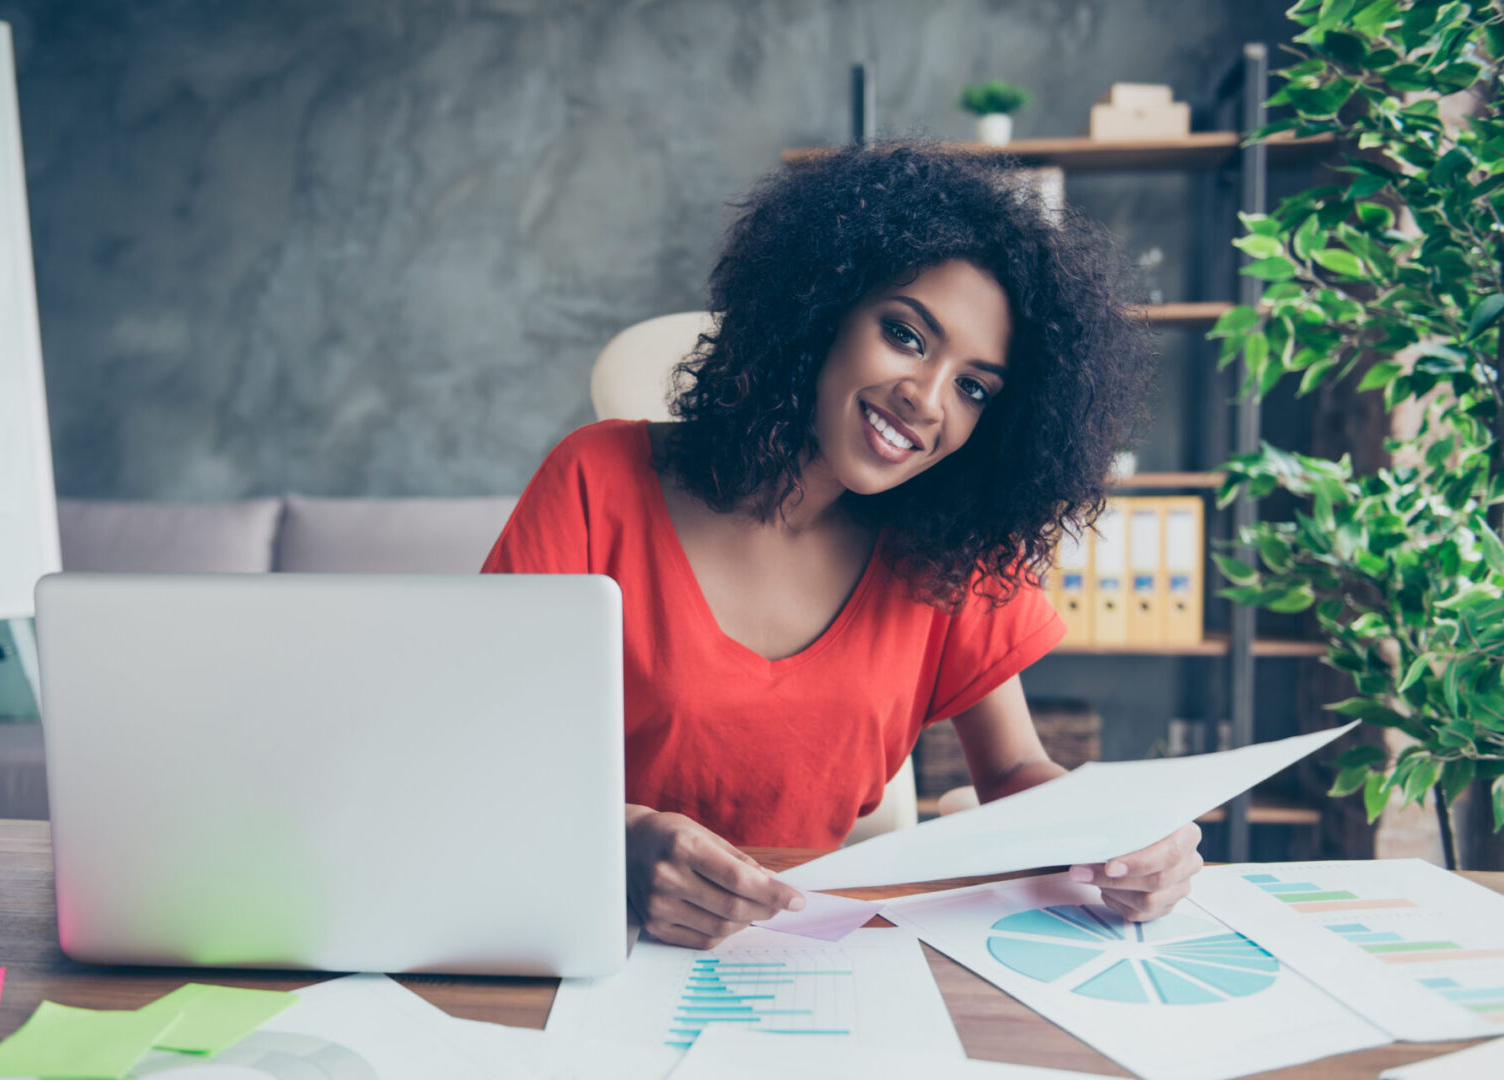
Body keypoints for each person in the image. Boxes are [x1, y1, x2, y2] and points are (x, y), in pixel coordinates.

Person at [483, 141, 1203, 949]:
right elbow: (482, 756)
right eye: (905, 334)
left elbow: (1010, 774)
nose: (926, 401)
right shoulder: (596, 480)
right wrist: (616, 842)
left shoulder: (948, 554)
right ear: (821, 310)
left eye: (973, 388)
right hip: (581, 934)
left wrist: (1122, 843)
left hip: (795, 960)